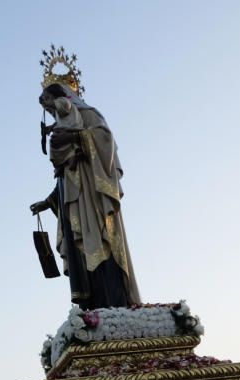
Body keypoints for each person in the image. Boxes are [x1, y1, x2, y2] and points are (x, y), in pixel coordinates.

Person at [29, 47, 140, 310]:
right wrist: (47, 203)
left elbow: (105, 140)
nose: (52, 114)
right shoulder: (61, 129)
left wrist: (76, 137)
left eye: (50, 105)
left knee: (103, 251)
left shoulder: (88, 115)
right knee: (82, 261)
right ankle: (91, 313)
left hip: (95, 202)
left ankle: (114, 308)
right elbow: (66, 180)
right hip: (74, 208)